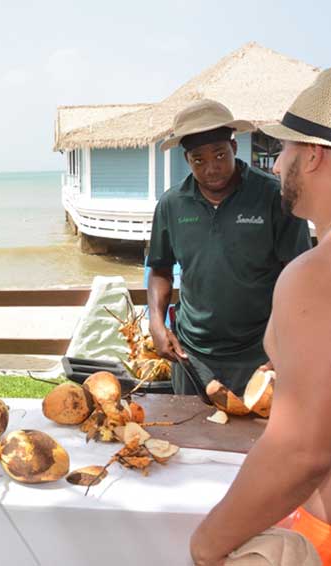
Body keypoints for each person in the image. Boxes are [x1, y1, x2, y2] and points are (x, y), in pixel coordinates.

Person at [191, 69, 331, 565]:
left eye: (284, 149)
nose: (276, 165)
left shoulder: (316, 274)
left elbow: (302, 451)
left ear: (312, 154)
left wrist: (207, 543)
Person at [147, 99, 311, 396]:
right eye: (199, 160)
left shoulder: (274, 196)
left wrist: (285, 342)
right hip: (191, 352)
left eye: (220, 155)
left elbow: (299, 275)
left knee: (252, 438)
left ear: (234, 148)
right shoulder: (172, 203)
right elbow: (159, 268)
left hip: (258, 353)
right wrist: (156, 324)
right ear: (187, 160)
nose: (211, 168)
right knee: (190, 437)